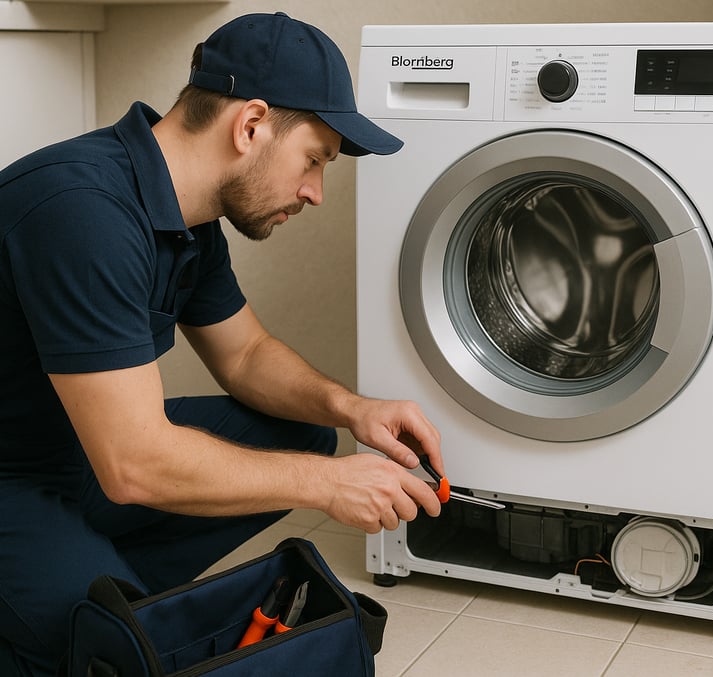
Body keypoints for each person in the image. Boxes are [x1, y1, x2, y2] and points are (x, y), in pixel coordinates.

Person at [0, 12, 444, 675]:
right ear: (251, 125)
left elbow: (244, 356)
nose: (315, 192)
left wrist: (354, 410)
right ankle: (83, 606)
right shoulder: (82, 209)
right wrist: (329, 487)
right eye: (315, 160)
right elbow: (134, 465)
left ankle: (104, 585)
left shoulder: (191, 218)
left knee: (305, 433)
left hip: (72, 455)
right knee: (102, 648)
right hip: (17, 475)